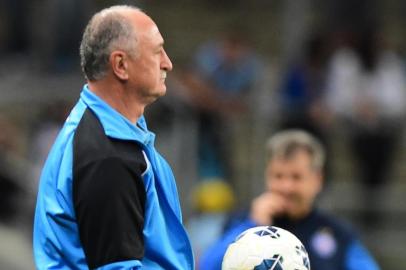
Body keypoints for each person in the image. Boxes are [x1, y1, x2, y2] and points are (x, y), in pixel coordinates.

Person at [33, 5, 194, 269]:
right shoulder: (108, 157)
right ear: (120, 65)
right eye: (157, 52)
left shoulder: (108, 126)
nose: (168, 62)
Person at [199, 130, 380, 270]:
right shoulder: (240, 222)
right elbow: (206, 266)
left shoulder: (337, 233)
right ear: (266, 176)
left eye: (296, 177)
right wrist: (253, 224)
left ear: (317, 179)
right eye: (278, 176)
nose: (286, 187)